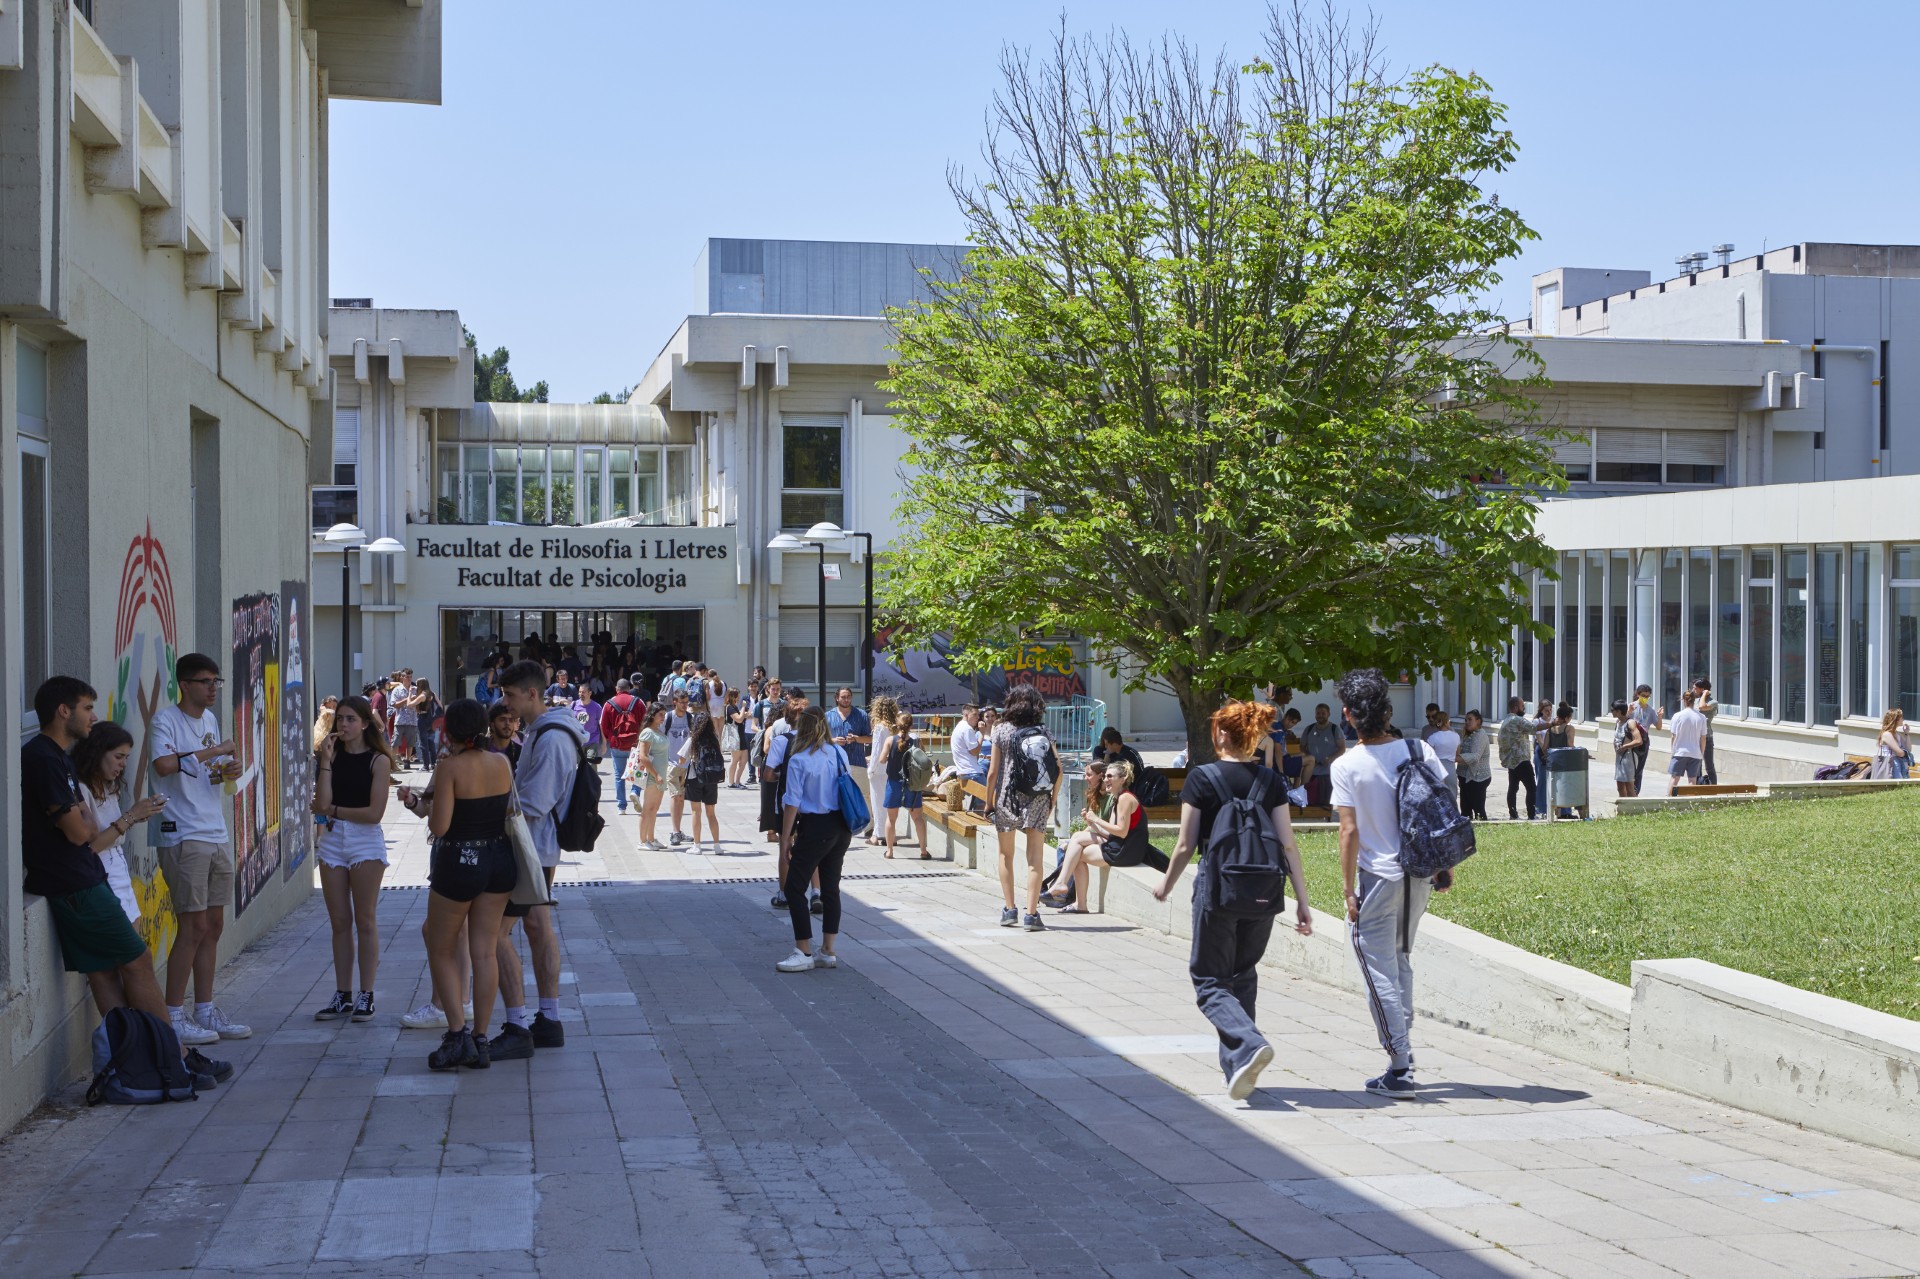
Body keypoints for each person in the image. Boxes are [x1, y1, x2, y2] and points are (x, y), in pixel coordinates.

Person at [24, 677, 229, 1090]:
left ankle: (140, 1058)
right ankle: (176, 1056)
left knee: (105, 972)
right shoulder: (43, 758)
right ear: (63, 711)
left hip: (81, 879)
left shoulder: (58, 758)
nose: (93, 716)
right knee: (135, 961)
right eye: (86, 707)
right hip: (74, 883)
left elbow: (83, 822)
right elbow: (81, 833)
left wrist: (91, 819)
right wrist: (123, 818)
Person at [1151, 700, 1311, 1101]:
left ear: (1222, 734)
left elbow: (1186, 844)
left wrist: (1167, 885)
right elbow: (1288, 845)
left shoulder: (1201, 778)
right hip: (1264, 891)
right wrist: (1302, 901)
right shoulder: (1271, 781)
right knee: (1243, 976)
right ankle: (1238, 1068)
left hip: (1218, 889)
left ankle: (1248, 1044)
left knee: (1209, 981)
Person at [1332, 668, 1449, 1099]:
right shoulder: (1419, 750)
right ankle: (1403, 1039)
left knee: (1373, 962)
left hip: (1377, 877)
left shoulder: (1347, 765)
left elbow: (1349, 832)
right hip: (1420, 872)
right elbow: (1441, 809)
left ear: (1348, 715)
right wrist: (1444, 865)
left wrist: (1348, 890)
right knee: (1399, 955)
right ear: (1389, 710)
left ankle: (1400, 1065)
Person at [149, 652, 250, 1046]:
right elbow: (163, 765)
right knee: (191, 925)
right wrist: (216, 752)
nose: (213, 689)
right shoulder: (166, 720)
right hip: (182, 832)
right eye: (206, 681)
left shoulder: (208, 720)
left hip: (214, 829)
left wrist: (228, 768)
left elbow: (206, 770)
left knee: (213, 925)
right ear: (185, 684)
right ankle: (173, 1013)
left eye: (216, 681)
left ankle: (205, 1009)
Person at [413, 698, 515, 1070]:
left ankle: (456, 1035)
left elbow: (438, 827)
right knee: (485, 952)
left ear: (448, 731)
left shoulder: (450, 768)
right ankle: (481, 1038)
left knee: (440, 946)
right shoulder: (502, 762)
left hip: (459, 860)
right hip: (499, 860)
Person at [488, 660, 577, 1059]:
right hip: (535, 847)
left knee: (492, 936)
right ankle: (549, 1020)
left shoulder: (553, 738)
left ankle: (517, 1025)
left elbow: (535, 803)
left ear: (532, 694)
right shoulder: (542, 731)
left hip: (530, 848)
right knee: (539, 928)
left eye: (509, 695)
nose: (503, 703)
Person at [310, 696, 395, 1022]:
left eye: (349, 719)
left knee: (365, 919)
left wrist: (332, 811)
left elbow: (374, 814)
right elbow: (322, 802)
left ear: (364, 724)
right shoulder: (331, 756)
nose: (342, 725)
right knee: (339, 922)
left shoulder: (378, 761)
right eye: (339, 720)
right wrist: (327, 761)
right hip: (332, 841)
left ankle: (366, 994)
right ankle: (342, 994)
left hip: (364, 843)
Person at [775, 706, 854, 973]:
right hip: (841, 825)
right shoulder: (839, 752)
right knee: (830, 888)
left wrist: (785, 840)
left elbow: (792, 802)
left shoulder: (800, 759)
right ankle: (828, 950)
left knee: (794, 888)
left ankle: (803, 950)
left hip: (816, 825)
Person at [71, 722, 166, 934]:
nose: (123, 764)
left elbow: (115, 829)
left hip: (119, 870)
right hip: (100, 874)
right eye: (118, 756)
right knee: (130, 954)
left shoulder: (109, 786)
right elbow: (90, 847)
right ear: (97, 753)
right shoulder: (81, 790)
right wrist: (131, 817)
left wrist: (139, 815)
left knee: (135, 940)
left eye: (126, 758)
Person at [986, 686, 1057, 932]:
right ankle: (1032, 914)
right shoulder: (1043, 731)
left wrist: (988, 802)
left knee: (1006, 855)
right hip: (1037, 798)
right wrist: (1052, 801)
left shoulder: (1000, 730)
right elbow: (1058, 768)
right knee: (1034, 858)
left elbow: (993, 772)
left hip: (1006, 798)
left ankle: (1009, 910)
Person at [1042, 760, 1154, 913]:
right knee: (1077, 853)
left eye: (1110, 776)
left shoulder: (1125, 798)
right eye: (1106, 776)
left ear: (1122, 779)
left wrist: (1096, 820)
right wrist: (1093, 824)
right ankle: (1079, 904)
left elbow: (1121, 832)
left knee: (1076, 842)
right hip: (1120, 845)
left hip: (1126, 850)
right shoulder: (1118, 797)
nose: (1106, 779)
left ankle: (1062, 884)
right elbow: (1112, 833)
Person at [875, 711, 930, 859]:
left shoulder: (890, 740)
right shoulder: (917, 741)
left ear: (896, 725)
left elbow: (881, 760)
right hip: (912, 784)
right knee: (917, 818)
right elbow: (923, 759)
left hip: (894, 782)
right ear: (911, 725)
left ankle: (890, 851)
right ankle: (923, 851)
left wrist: (889, 757)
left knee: (891, 818)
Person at [826, 687, 873, 836]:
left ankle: (869, 826)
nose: (846, 700)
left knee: (865, 794)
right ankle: (836, 825)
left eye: (848, 697)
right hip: (835, 763)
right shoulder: (828, 716)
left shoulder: (861, 715)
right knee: (834, 795)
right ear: (837, 698)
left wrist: (857, 739)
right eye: (843, 697)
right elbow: (821, 739)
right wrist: (834, 741)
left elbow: (871, 738)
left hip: (856, 761)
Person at [677, 711, 726, 852]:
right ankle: (717, 846)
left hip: (695, 778)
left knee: (696, 812)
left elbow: (681, 759)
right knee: (711, 814)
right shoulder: (714, 739)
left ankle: (697, 846)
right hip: (711, 779)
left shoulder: (693, 739)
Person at [626, 706, 672, 849]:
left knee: (654, 809)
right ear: (652, 715)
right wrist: (656, 774)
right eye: (660, 714)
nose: (663, 717)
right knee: (647, 809)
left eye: (664, 714)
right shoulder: (647, 733)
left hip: (661, 776)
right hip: (653, 776)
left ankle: (651, 838)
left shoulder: (658, 731)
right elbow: (643, 757)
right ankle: (642, 840)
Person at [1496, 696, 1544, 821]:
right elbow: (1534, 728)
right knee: (1532, 788)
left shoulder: (1505, 720)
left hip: (1511, 761)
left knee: (1513, 788)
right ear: (1516, 707)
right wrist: (1553, 723)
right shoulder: (1516, 719)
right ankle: (1532, 815)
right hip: (1521, 760)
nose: (1524, 709)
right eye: (1522, 706)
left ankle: (1513, 814)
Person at [600, 678, 644, 814]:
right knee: (637, 772)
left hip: (616, 744)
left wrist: (610, 738)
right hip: (635, 744)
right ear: (629, 688)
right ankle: (635, 792)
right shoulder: (638, 702)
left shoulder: (609, 704)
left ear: (616, 689)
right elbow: (646, 721)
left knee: (619, 775)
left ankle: (621, 807)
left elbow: (603, 725)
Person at [864, 694, 900, 846]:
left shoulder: (880, 727)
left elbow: (877, 751)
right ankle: (890, 834)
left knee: (877, 803)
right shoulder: (895, 727)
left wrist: (870, 769)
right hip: (892, 769)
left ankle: (878, 835)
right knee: (889, 804)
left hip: (879, 770)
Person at [663, 688, 694, 846]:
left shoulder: (690, 718)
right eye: (682, 702)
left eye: (686, 702)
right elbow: (660, 737)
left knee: (681, 798)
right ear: (674, 702)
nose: (685, 705)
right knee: (675, 797)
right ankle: (675, 832)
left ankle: (678, 830)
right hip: (671, 763)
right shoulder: (668, 718)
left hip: (687, 765)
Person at [1299, 703, 1345, 807]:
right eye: (1318, 713)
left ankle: (1326, 822)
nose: (1320, 715)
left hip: (1328, 773)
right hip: (1311, 774)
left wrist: (1330, 758)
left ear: (1328, 714)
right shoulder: (1309, 729)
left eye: (1323, 713)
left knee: (1326, 804)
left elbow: (1342, 748)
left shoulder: (1335, 729)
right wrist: (1309, 758)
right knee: (1309, 802)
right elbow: (1302, 747)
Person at [1667, 689, 1709, 794]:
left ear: (1683, 700)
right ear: (1694, 700)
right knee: (1692, 780)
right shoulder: (1701, 717)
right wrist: (1701, 753)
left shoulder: (1677, 716)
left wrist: (1673, 750)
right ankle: (1690, 802)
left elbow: (1673, 736)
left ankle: (1668, 801)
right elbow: (1703, 738)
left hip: (1680, 752)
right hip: (1695, 752)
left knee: (1674, 779)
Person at [950, 704, 988, 810]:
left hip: (964, 772)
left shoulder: (959, 726)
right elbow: (975, 751)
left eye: (978, 715)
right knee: (986, 802)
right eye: (975, 715)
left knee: (979, 804)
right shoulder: (967, 729)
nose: (977, 718)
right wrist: (982, 734)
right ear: (966, 714)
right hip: (973, 772)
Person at [1455, 711, 1491, 820]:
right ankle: (1467, 833)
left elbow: (1475, 756)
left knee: (1479, 810)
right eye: (1466, 720)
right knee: (1465, 810)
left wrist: (1455, 758)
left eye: (1470, 719)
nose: (1467, 722)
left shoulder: (1480, 734)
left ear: (1478, 721)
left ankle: (1484, 832)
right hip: (1465, 777)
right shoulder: (1468, 734)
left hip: (1477, 778)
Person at [1629, 684, 1661, 792]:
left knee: (1639, 769)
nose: (1645, 698)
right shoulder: (1631, 706)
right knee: (1630, 767)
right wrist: (1628, 712)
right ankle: (1628, 790)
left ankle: (1635, 791)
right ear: (1638, 694)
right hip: (1631, 741)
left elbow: (1658, 727)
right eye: (1643, 695)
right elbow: (1621, 722)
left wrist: (1660, 716)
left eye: (1648, 696)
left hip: (1643, 742)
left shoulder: (1650, 710)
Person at [1610, 700, 1645, 798]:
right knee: (1620, 786)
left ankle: (1634, 810)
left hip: (1629, 757)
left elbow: (1639, 741)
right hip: (1620, 757)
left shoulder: (1630, 723)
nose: (1611, 711)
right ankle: (1623, 810)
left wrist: (1625, 746)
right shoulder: (1618, 722)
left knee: (1629, 787)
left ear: (1619, 711)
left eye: (1613, 710)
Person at [1425, 710, 1461, 795]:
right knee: (1452, 793)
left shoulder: (1432, 737)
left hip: (1437, 766)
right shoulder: (1456, 736)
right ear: (1447, 721)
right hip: (1450, 767)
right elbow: (1458, 753)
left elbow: (1428, 755)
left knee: (1437, 794)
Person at [391, 671, 420, 769]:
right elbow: (394, 704)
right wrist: (408, 698)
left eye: (411, 677)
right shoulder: (397, 690)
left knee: (410, 742)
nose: (409, 679)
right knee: (396, 742)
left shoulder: (416, 689)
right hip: (400, 720)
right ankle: (394, 761)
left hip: (412, 720)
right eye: (407, 677)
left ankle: (407, 760)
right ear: (402, 678)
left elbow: (420, 703)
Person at [1692, 677, 1719, 784]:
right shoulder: (1696, 700)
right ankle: (1697, 786)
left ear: (1703, 690)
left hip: (1706, 737)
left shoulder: (1713, 702)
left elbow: (1702, 707)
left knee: (1709, 765)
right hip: (1695, 736)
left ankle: (1713, 788)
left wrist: (1704, 695)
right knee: (1696, 764)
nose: (1693, 690)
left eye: (1695, 688)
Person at [1874, 708, 1912, 780]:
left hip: (1897, 763)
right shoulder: (1887, 734)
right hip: (1889, 764)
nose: (1903, 720)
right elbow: (1900, 753)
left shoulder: (1897, 734)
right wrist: (1906, 754)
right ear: (1896, 720)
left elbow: (1908, 749)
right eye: (1902, 718)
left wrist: (1906, 733)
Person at [721, 688, 748, 787]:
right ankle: (731, 782)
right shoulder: (729, 707)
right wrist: (743, 707)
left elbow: (740, 717)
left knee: (744, 760)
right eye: (738, 695)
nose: (739, 697)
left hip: (740, 735)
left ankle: (737, 781)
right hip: (735, 736)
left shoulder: (734, 707)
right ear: (733, 696)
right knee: (735, 760)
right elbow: (739, 719)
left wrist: (745, 714)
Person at [571, 681, 602, 765]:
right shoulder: (574, 705)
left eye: (583, 692)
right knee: (578, 768)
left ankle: (592, 778)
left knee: (592, 766)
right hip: (578, 741)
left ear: (590, 693)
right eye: (580, 692)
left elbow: (601, 725)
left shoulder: (597, 707)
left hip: (592, 740)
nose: (581, 694)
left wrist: (604, 743)